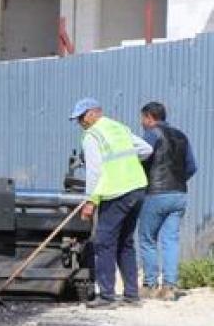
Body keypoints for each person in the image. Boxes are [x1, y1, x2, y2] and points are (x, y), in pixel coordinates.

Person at [71, 98, 152, 309]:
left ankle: (107, 296)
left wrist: (90, 201)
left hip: (116, 192)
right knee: (125, 242)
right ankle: (131, 296)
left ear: (93, 113)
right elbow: (146, 150)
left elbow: (95, 171)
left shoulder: (92, 135)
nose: (80, 122)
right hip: (137, 188)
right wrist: (127, 165)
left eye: (81, 117)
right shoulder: (119, 127)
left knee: (104, 242)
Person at [137, 101, 198, 300]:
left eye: (142, 119)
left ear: (149, 117)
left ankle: (150, 284)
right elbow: (191, 167)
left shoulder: (152, 134)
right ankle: (170, 287)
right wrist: (178, 181)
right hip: (179, 194)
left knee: (147, 239)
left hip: (156, 193)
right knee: (170, 240)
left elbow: (142, 159)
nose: (142, 123)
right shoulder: (182, 136)